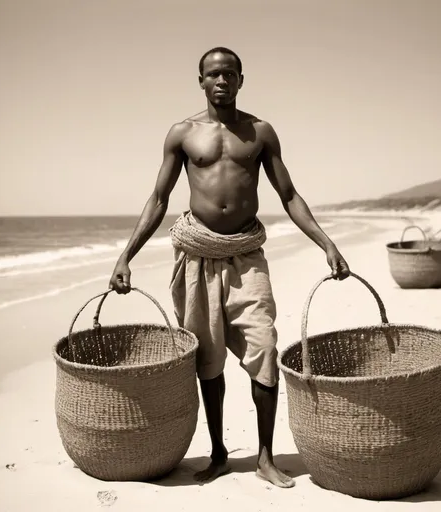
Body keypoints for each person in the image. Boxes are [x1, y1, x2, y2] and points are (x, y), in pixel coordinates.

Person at [108, 46, 350, 489]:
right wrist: (126, 255)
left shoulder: (260, 132)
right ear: (200, 81)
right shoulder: (182, 133)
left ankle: (264, 457)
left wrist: (326, 244)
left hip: (246, 257)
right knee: (208, 358)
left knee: (265, 348)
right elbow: (159, 200)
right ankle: (219, 452)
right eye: (213, 74)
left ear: (241, 80)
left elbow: (289, 195)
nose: (222, 81)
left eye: (229, 74)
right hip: (197, 257)